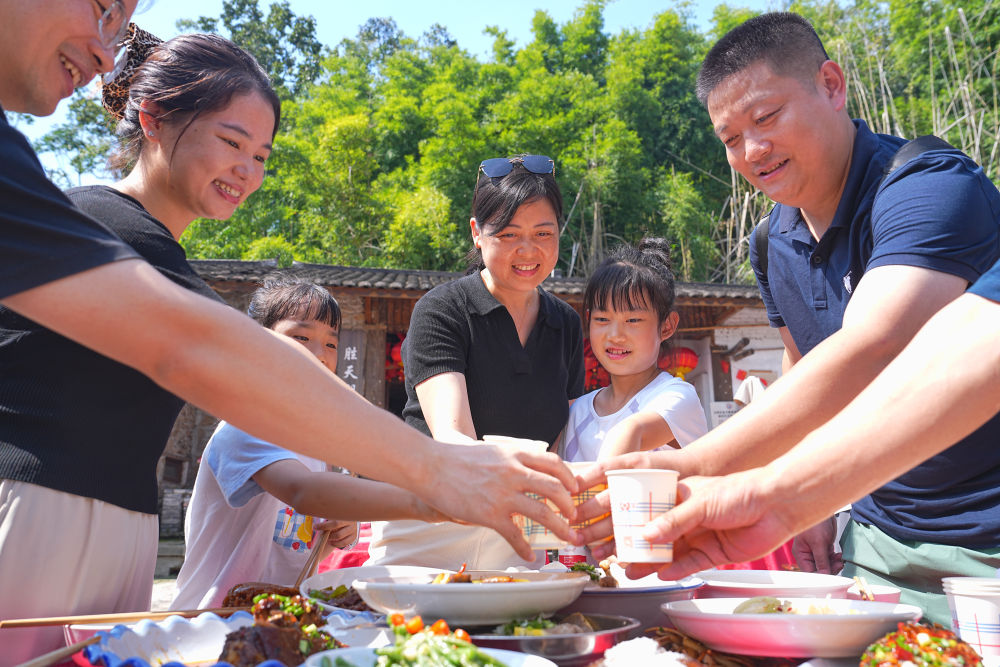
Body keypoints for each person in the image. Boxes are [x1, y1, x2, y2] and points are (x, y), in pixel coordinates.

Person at [0, 4, 578, 659]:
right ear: (154, 118)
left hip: (111, 529)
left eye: (262, 155)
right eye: (231, 142)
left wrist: (433, 485)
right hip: (44, 516)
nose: (248, 170)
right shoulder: (103, 224)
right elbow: (208, 353)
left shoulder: (154, 250)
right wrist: (435, 472)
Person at [578, 11, 1000, 624]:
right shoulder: (770, 242)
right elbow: (802, 361)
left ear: (831, 85)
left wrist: (697, 465)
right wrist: (811, 502)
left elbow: (875, 347)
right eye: (729, 139)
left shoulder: (927, 186)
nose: (752, 151)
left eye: (767, 117)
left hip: (986, 539)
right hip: (877, 541)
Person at [624, 257, 1000, 588]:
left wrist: (776, 493)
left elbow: (892, 346)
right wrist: (791, 501)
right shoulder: (772, 243)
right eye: (601, 319)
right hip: (874, 537)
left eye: (633, 320)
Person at [172, 274, 451, 610]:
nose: (320, 355)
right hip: (213, 615)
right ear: (256, 343)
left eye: (331, 344)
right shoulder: (246, 425)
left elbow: (296, 539)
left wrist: (340, 530)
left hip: (277, 616)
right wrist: (429, 502)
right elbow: (302, 492)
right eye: (301, 337)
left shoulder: (311, 444)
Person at [366, 155, 586, 570]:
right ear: (476, 233)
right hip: (432, 525)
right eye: (509, 234)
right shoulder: (443, 310)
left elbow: (564, 433)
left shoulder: (566, 323)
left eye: (543, 233)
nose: (528, 250)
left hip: (519, 532)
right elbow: (453, 439)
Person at [559, 238, 707, 463]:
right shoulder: (577, 411)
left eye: (633, 320)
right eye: (602, 319)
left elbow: (631, 432)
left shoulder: (677, 397)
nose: (615, 335)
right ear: (589, 320)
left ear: (666, 326)